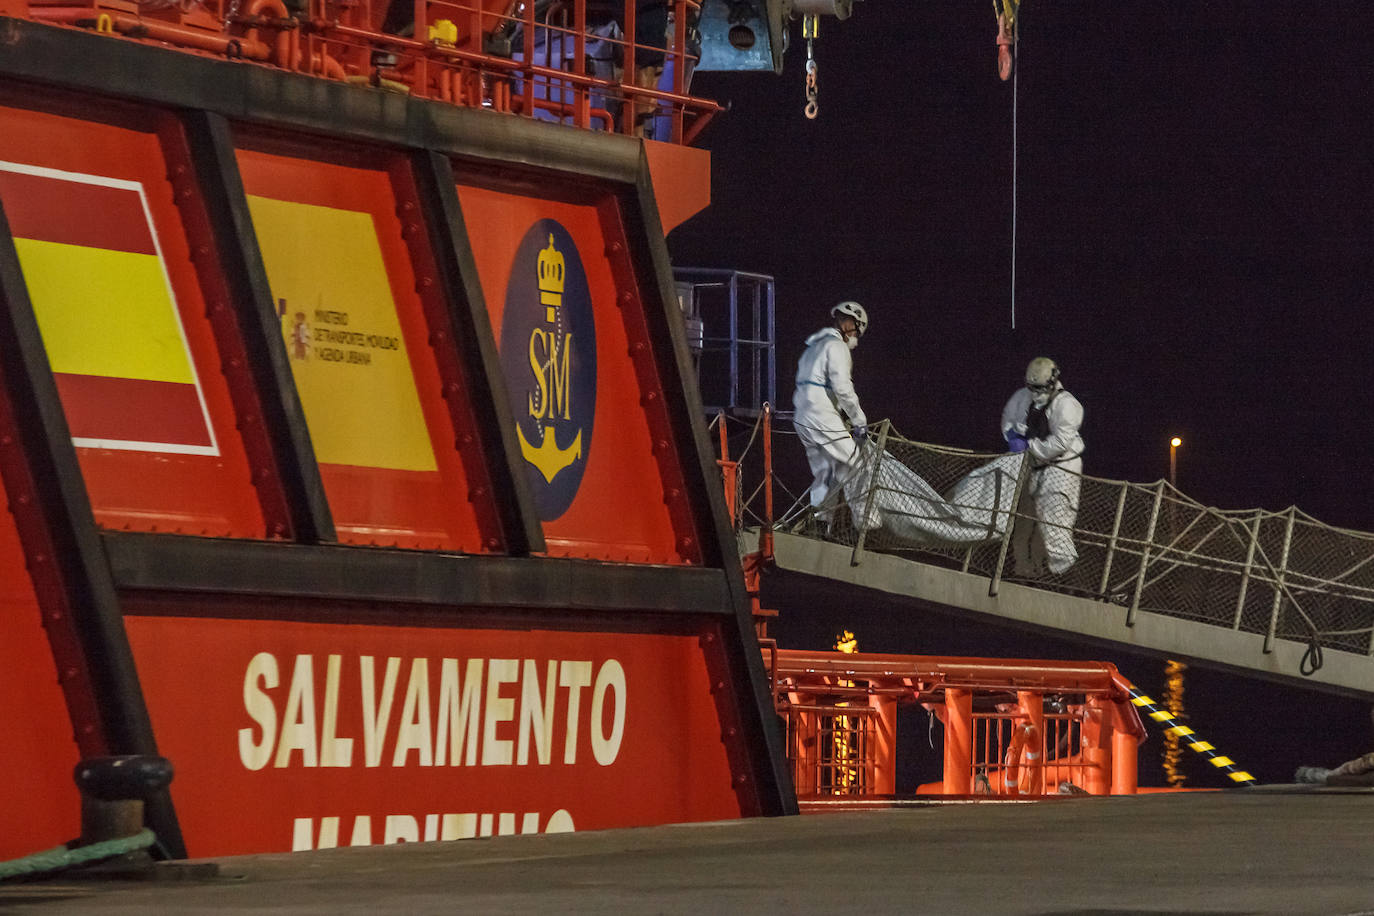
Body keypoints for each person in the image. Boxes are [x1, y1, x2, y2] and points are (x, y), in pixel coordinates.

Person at [1000, 357, 1084, 575]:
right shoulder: (1022, 397)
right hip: (1032, 465)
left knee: (1053, 521)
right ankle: (1023, 568)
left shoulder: (1067, 405)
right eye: (1032, 388)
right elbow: (1008, 418)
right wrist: (1011, 436)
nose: (1035, 392)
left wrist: (1029, 445)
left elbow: (1060, 443)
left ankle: (1058, 573)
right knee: (1023, 519)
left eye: (1040, 388)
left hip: (1061, 467)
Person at [793, 301, 870, 527]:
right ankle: (865, 525)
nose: (855, 334)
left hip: (802, 413)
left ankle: (819, 524)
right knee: (858, 463)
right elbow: (842, 389)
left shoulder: (813, 346)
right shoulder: (837, 347)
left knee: (825, 470)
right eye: (855, 329)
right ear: (851, 325)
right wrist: (859, 422)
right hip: (820, 413)